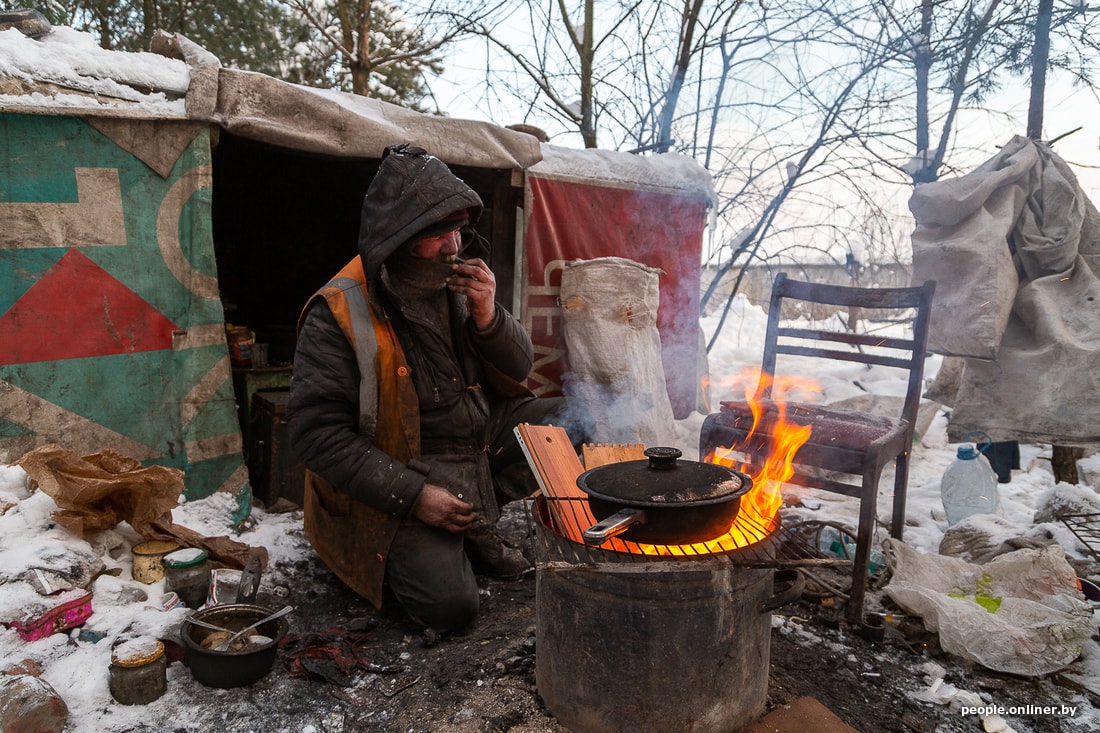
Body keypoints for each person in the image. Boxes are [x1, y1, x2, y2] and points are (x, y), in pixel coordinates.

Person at [287, 144, 568, 634]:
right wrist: (415, 496)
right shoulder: (338, 312)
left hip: (476, 441)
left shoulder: (458, 283)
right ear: (399, 238)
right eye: (438, 235)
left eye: (457, 230)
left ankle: (476, 516)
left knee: (572, 421)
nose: (454, 246)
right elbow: (316, 437)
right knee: (451, 608)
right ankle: (450, 528)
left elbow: (520, 369)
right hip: (402, 467)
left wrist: (489, 317)